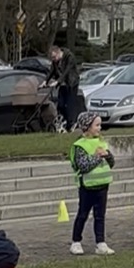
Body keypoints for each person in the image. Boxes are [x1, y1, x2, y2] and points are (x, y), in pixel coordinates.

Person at [69, 112, 115, 255]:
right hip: (87, 187)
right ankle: (76, 241)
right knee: (82, 214)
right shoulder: (80, 145)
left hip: (103, 185)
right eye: (97, 125)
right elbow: (83, 166)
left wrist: (108, 156)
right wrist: (97, 157)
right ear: (87, 127)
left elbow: (111, 163)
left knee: (100, 216)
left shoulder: (102, 142)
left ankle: (101, 243)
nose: (100, 128)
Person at [50, 43, 83, 130]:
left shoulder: (69, 57)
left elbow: (66, 72)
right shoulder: (55, 62)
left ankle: (71, 123)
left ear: (58, 53)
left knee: (70, 104)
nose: (53, 60)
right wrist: (45, 81)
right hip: (63, 84)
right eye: (52, 58)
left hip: (71, 83)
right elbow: (52, 71)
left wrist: (57, 81)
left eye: (54, 57)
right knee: (60, 104)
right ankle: (63, 121)